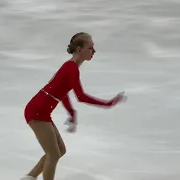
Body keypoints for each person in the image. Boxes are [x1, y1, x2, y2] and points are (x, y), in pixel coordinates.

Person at [20, 32, 126, 180]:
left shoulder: (71, 67)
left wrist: (71, 112)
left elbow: (61, 91)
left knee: (60, 150)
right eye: (90, 48)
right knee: (53, 154)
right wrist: (107, 104)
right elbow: (80, 96)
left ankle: (29, 178)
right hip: (37, 110)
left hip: (42, 110)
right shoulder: (71, 68)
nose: (94, 51)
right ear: (79, 49)